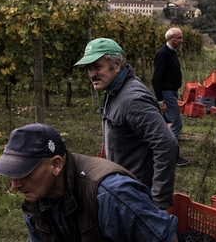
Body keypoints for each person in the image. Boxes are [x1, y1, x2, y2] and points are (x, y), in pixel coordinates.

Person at [0, 123, 179, 242]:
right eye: (12, 175)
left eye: (24, 173)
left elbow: (164, 237)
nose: (15, 185)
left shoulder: (111, 194)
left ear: (56, 165)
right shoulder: (36, 202)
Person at [74, 38, 178, 209]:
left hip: (136, 196)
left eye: (98, 67)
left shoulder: (133, 100)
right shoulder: (114, 91)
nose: (92, 74)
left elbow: (167, 145)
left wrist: (158, 202)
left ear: (116, 65)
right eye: (89, 69)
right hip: (121, 190)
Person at [152, 27, 189, 166]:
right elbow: (156, 79)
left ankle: (162, 154)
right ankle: (169, 155)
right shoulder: (163, 54)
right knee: (175, 125)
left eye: (181, 37)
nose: (181, 40)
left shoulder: (171, 52)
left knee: (164, 125)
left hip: (170, 92)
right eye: (178, 38)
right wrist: (161, 100)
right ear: (170, 39)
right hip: (166, 94)